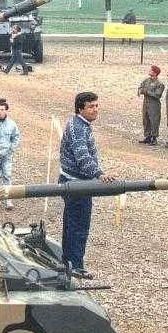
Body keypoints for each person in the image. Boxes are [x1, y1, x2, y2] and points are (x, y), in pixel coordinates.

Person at [58, 92, 116, 279]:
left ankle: (67, 261)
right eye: (91, 106)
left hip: (73, 181)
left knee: (70, 224)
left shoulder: (80, 124)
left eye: (97, 106)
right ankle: (75, 266)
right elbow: (83, 158)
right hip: (76, 185)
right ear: (80, 108)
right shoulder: (78, 128)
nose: (95, 109)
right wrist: (100, 174)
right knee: (78, 226)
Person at [137, 65, 165, 145]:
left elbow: (157, 95)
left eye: (151, 70)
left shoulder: (159, 84)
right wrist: (139, 90)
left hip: (154, 105)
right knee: (146, 120)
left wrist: (146, 92)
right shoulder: (146, 80)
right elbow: (141, 87)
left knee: (154, 121)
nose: (149, 71)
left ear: (155, 73)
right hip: (146, 103)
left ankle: (154, 138)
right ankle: (147, 136)